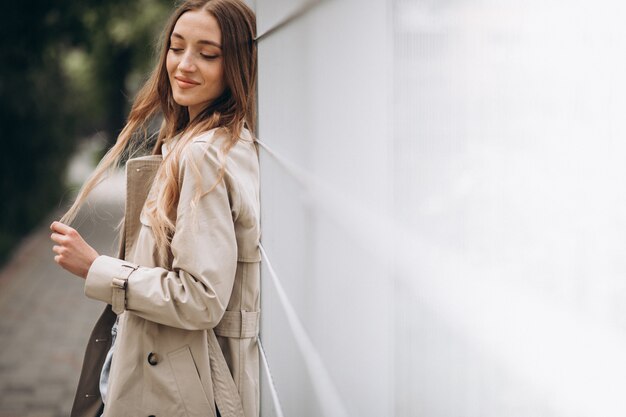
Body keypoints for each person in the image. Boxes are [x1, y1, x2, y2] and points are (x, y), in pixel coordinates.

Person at [49, 1, 260, 416]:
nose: (184, 64)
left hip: (178, 390)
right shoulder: (196, 143)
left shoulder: (203, 156)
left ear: (236, 64)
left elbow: (201, 297)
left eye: (207, 53)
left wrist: (96, 268)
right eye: (177, 47)